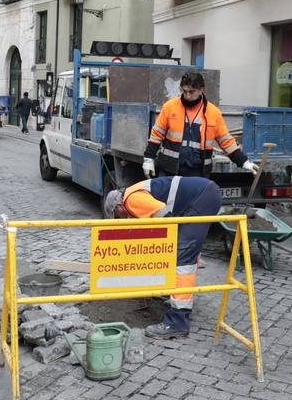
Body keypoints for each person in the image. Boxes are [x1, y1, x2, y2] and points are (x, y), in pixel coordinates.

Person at [103, 176, 221, 339]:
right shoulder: (134, 193)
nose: (122, 221)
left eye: (117, 217)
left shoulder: (131, 200)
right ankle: (178, 297)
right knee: (185, 255)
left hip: (202, 198)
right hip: (205, 194)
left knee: (183, 259)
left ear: (118, 206)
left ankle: (177, 321)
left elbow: (166, 219)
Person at [142, 71, 258, 180]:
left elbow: (226, 141)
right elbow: (156, 134)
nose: (187, 96)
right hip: (169, 169)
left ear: (201, 90)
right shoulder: (170, 107)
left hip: (198, 172)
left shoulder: (213, 112)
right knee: (166, 202)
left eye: (191, 91)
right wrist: (148, 158)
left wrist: (244, 162)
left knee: (194, 202)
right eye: (184, 91)